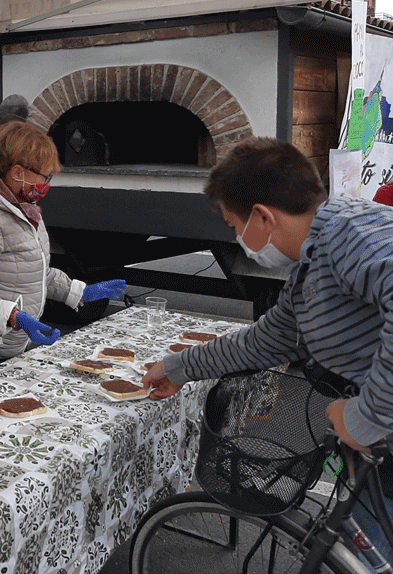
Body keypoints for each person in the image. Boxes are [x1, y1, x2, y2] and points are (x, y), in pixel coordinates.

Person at [143, 137, 393, 561]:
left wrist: (366, 417)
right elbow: (267, 339)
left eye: (232, 225)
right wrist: (179, 366)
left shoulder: (352, 237)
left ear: (262, 217)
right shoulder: (313, 262)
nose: (236, 236)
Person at [0, 121, 127, 397]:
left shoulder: (22, 206)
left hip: (1, 345)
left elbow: (32, 269)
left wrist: (79, 292)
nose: (47, 184)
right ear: (18, 172)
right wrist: (15, 317)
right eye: (45, 176)